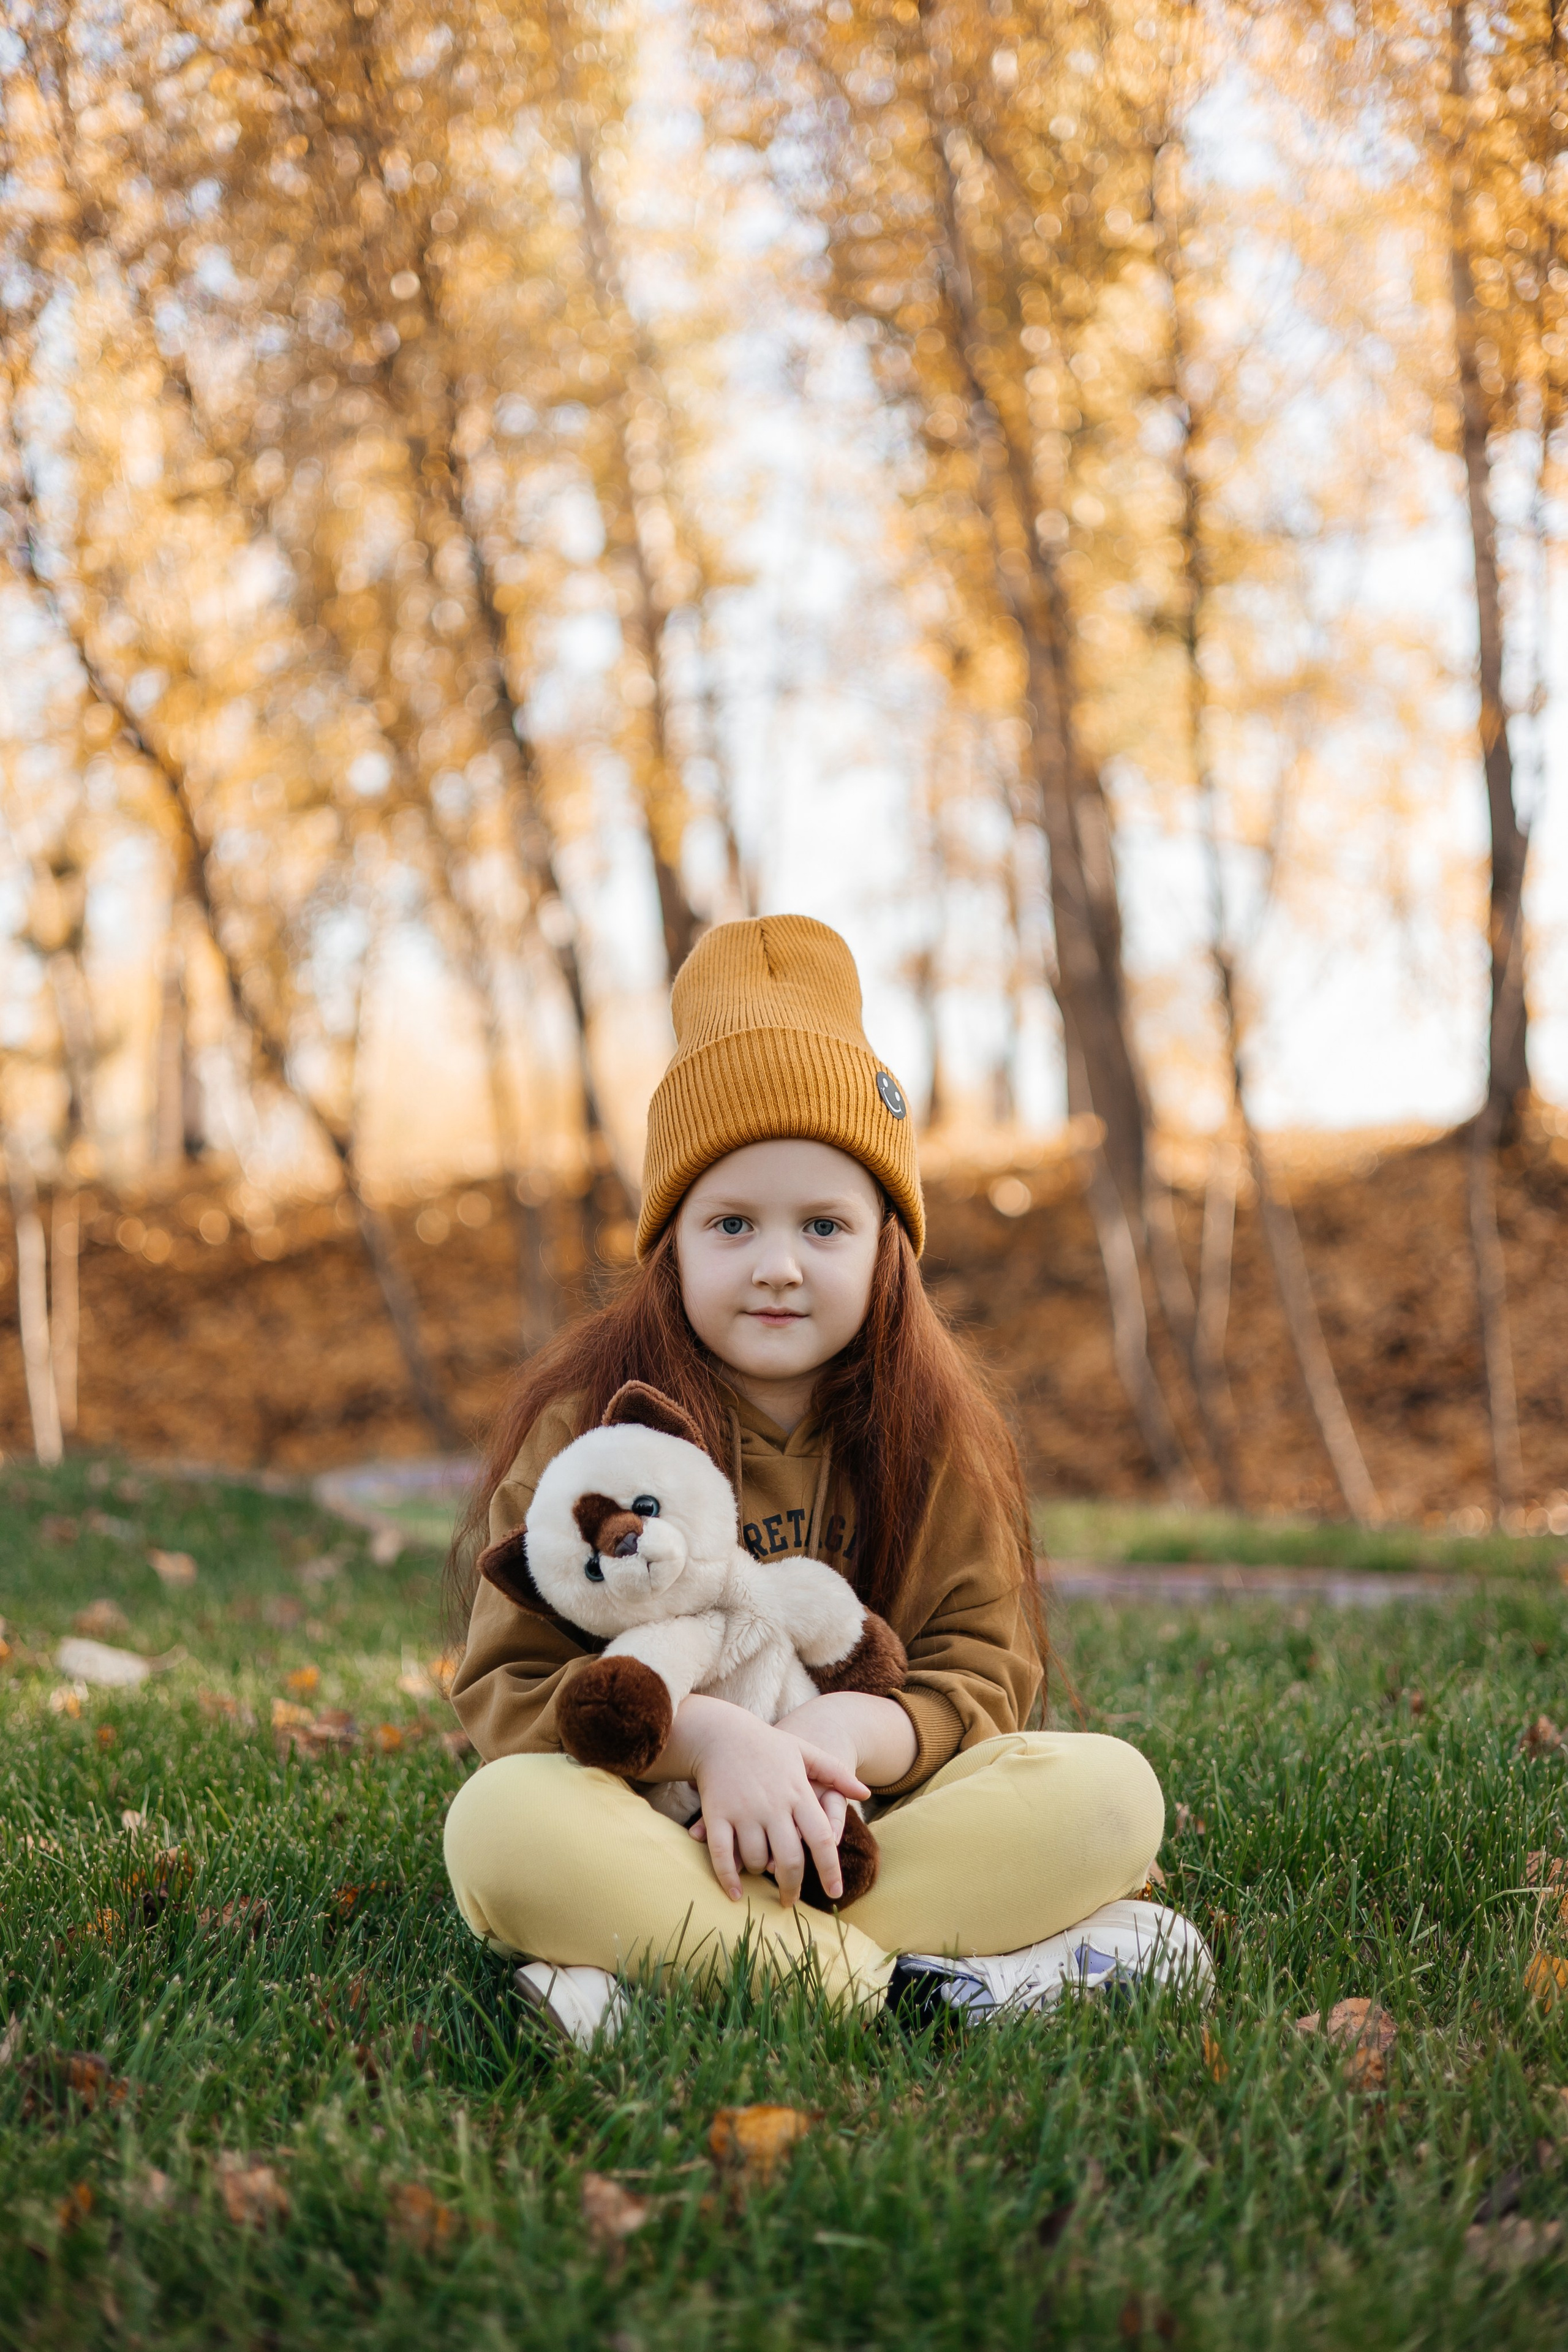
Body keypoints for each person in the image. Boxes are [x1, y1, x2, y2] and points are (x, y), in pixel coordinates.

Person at [443, 914, 1210, 2043]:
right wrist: (713, 1743)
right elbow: (509, 1693)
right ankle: (918, 1988)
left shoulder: (935, 1433)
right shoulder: (588, 1434)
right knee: (500, 1825)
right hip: (657, 1824)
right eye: (733, 1221)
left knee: (1110, 1793)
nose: (779, 1264)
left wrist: (841, 1738)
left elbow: (983, 1671)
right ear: (674, 1243)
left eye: (826, 1224)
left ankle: (673, 1983)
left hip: (871, 1829)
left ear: (886, 1245)